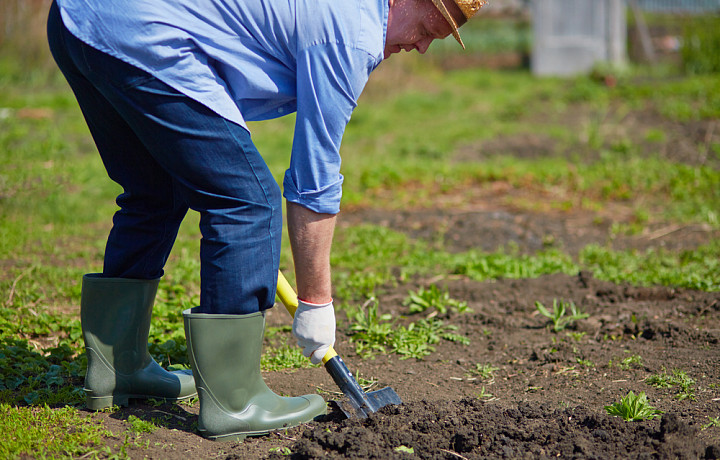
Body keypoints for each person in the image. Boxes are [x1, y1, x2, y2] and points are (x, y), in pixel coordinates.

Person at [47, 0, 486, 442]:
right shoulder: (350, 34)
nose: (425, 46)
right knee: (246, 200)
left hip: (82, 20)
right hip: (139, 33)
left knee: (153, 190)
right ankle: (234, 402)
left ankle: (117, 368)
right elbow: (314, 180)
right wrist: (316, 302)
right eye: (431, 25)